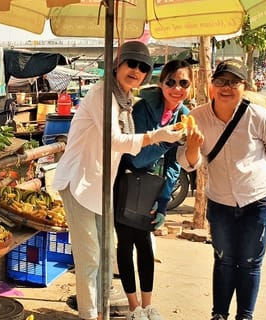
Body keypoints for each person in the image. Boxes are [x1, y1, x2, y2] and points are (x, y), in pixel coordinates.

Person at [52, 41, 184, 320]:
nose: (136, 70)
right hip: (78, 182)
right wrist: (158, 136)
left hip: (99, 187)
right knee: (90, 259)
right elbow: (114, 141)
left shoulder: (124, 99)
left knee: (103, 258)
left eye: (143, 67)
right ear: (118, 65)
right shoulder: (103, 94)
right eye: (131, 64)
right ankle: (91, 315)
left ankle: (101, 313)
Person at [177, 59, 266, 320]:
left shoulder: (259, 117)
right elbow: (187, 162)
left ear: (244, 86)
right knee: (224, 259)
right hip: (221, 201)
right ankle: (219, 315)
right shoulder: (196, 118)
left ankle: (244, 317)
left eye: (233, 82)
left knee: (250, 262)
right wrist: (193, 146)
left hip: (257, 199)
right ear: (212, 85)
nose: (226, 88)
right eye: (221, 82)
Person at [115, 59, 193, 320]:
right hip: (125, 185)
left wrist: (163, 202)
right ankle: (134, 306)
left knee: (145, 245)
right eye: (171, 82)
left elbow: (174, 166)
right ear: (161, 84)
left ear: (190, 87)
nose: (176, 88)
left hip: (152, 189)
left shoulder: (184, 117)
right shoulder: (142, 109)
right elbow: (134, 158)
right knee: (126, 245)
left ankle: (148, 306)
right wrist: (164, 139)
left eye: (183, 83)